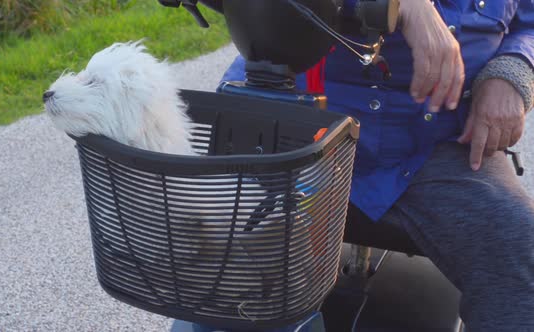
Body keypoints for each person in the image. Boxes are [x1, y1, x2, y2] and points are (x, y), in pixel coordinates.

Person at [221, 0, 534, 330]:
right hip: (307, 125)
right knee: (215, 264)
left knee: (521, 262)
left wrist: (515, 69)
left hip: (439, 142)